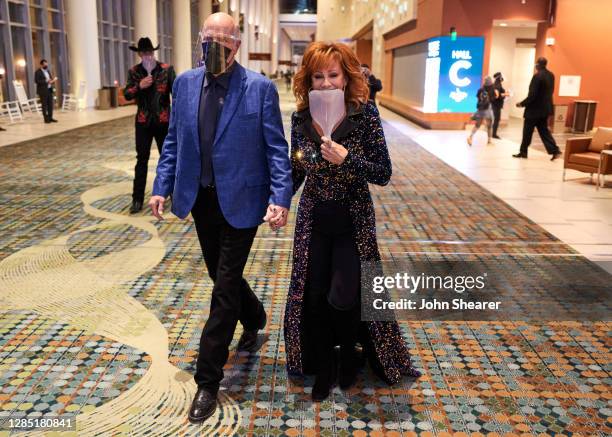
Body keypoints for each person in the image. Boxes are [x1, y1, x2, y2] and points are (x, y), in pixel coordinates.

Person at [149, 13, 292, 423]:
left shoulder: (259, 89)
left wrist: (280, 196)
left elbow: (276, 149)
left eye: (222, 40)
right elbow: (174, 141)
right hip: (201, 200)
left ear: (236, 45)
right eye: (207, 39)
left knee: (224, 287)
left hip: (243, 201)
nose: (213, 47)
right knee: (220, 275)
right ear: (200, 40)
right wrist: (162, 186)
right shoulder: (186, 84)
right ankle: (256, 316)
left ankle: (207, 380)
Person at [285, 41, 420, 402]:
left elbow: (384, 173)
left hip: (353, 217)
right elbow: (296, 169)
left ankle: (348, 354)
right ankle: (324, 365)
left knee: (344, 296)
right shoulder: (300, 118)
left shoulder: (365, 115)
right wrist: (279, 202)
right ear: (308, 80)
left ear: (346, 78)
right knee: (312, 296)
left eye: (333, 75)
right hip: (313, 217)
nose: (326, 83)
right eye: (319, 76)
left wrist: (348, 159)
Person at [123, 37, 176, 214]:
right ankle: (137, 199)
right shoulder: (134, 72)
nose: (147, 55)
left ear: (153, 53)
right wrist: (139, 85)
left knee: (169, 159)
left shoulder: (166, 70)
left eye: (150, 52)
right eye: (144, 52)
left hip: (164, 121)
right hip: (143, 122)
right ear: (139, 54)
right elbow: (127, 94)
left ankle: (176, 196)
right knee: (142, 160)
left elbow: (176, 93)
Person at [513, 57, 562, 160]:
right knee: (544, 131)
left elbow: (533, 95)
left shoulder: (537, 76)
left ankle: (523, 152)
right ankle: (555, 150)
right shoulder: (551, 75)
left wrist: (522, 104)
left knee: (527, 131)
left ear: (537, 65)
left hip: (534, 110)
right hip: (545, 109)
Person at [467, 76, 495, 146]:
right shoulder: (492, 90)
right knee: (489, 126)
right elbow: (493, 99)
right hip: (488, 110)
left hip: (480, 109)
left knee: (477, 125)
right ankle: (489, 140)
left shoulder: (480, 90)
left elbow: (478, 99)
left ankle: (470, 136)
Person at [34, 59, 58, 123]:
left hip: (49, 89)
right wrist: (46, 81)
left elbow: (50, 79)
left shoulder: (48, 71)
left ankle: (50, 117)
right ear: (41, 65)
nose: (46, 65)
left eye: (46, 64)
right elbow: (37, 81)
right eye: (45, 64)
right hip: (43, 91)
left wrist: (53, 80)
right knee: (44, 105)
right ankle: (46, 119)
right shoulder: (37, 72)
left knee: (50, 104)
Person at [491, 72, 509, 139]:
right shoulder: (497, 85)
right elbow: (497, 96)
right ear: (500, 78)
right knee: (496, 119)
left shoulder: (497, 84)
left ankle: (493, 133)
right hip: (496, 105)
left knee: (496, 119)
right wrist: (505, 94)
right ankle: (494, 134)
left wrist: (504, 93)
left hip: (495, 105)